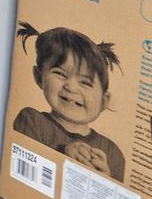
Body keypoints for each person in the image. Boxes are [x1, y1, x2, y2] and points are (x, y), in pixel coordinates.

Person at [12, 21, 127, 178]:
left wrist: (105, 179)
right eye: (60, 74)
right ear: (39, 77)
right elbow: (24, 171)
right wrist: (63, 155)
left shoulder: (112, 153)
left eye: (86, 82)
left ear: (104, 101)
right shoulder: (32, 121)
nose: (71, 88)